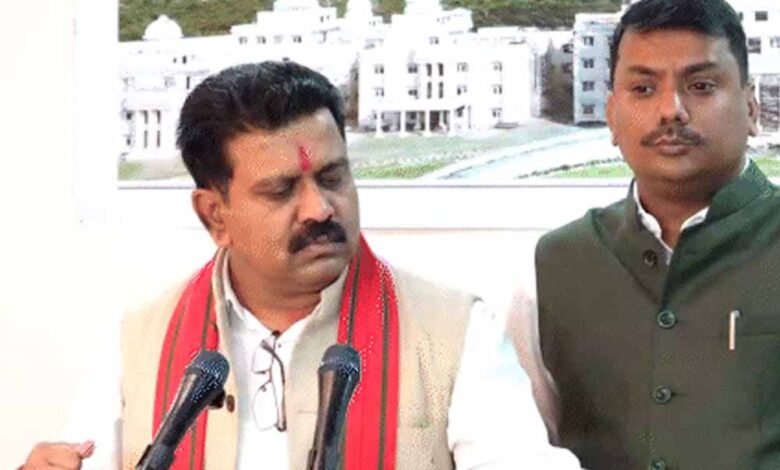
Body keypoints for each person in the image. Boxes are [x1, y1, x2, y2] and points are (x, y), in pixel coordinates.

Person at [21, 61, 580, 469]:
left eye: (333, 177)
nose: (320, 208)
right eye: (281, 190)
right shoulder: (138, 340)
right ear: (215, 214)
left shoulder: (455, 330)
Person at [533, 0, 780, 468]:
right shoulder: (554, 264)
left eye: (701, 86)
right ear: (612, 115)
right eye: (643, 88)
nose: (671, 110)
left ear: (751, 107)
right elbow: (516, 448)